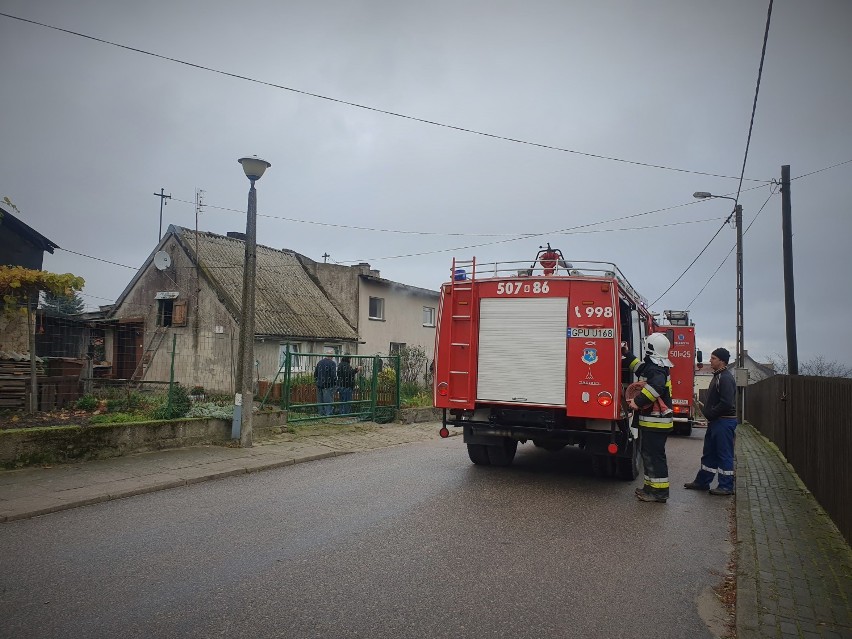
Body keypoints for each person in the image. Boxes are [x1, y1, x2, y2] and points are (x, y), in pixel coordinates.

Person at [623, 334, 675, 503]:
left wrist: (637, 402)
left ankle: (659, 493)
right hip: (654, 423)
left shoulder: (657, 369)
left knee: (654, 457)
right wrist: (628, 354)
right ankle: (650, 488)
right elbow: (639, 368)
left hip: (656, 423)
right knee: (649, 455)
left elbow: (656, 387)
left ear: (650, 348)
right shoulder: (655, 366)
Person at [684, 347, 738, 495]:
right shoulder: (718, 376)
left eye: (713, 358)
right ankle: (702, 482)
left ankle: (726, 486)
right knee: (709, 453)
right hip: (716, 422)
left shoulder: (725, 378)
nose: (710, 360)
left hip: (723, 422)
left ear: (721, 361)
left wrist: (711, 414)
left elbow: (726, 403)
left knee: (724, 454)